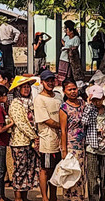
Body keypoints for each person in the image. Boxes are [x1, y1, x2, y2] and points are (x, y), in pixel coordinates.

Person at [8, 76, 40, 201]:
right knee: (19, 169)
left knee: (29, 170)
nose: (26, 89)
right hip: (19, 141)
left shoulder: (31, 102)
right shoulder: (16, 103)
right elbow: (21, 123)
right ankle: (18, 197)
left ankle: (25, 196)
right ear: (18, 89)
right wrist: (34, 136)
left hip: (30, 142)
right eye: (24, 87)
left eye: (28, 87)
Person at [82, 85, 105, 201]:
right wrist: (89, 105)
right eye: (94, 100)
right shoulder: (90, 110)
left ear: (103, 98)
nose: (97, 102)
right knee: (92, 178)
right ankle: (93, 199)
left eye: (99, 99)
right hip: (92, 148)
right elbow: (84, 122)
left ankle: (103, 198)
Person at [35, 70, 61, 201]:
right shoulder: (39, 99)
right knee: (45, 169)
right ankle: (45, 197)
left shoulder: (58, 96)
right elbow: (46, 120)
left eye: (52, 80)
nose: (50, 83)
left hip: (60, 140)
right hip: (47, 140)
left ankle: (53, 196)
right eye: (47, 81)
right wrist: (62, 126)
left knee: (55, 169)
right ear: (42, 82)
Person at [60, 79, 86, 201]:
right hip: (71, 147)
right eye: (69, 89)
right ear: (64, 91)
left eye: (74, 89)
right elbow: (63, 130)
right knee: (71, 174)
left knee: (81, 175)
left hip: (83, 146)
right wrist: (64, 151)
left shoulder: (83, 103)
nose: (72, 92)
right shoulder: (64, 108)